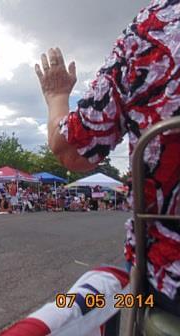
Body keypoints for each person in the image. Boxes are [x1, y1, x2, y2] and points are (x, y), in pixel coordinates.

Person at [35, 1, 180, 312]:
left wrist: (57, 96)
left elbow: (72, 151)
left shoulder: (151, 29)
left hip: (167, 281)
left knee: (106, 304)